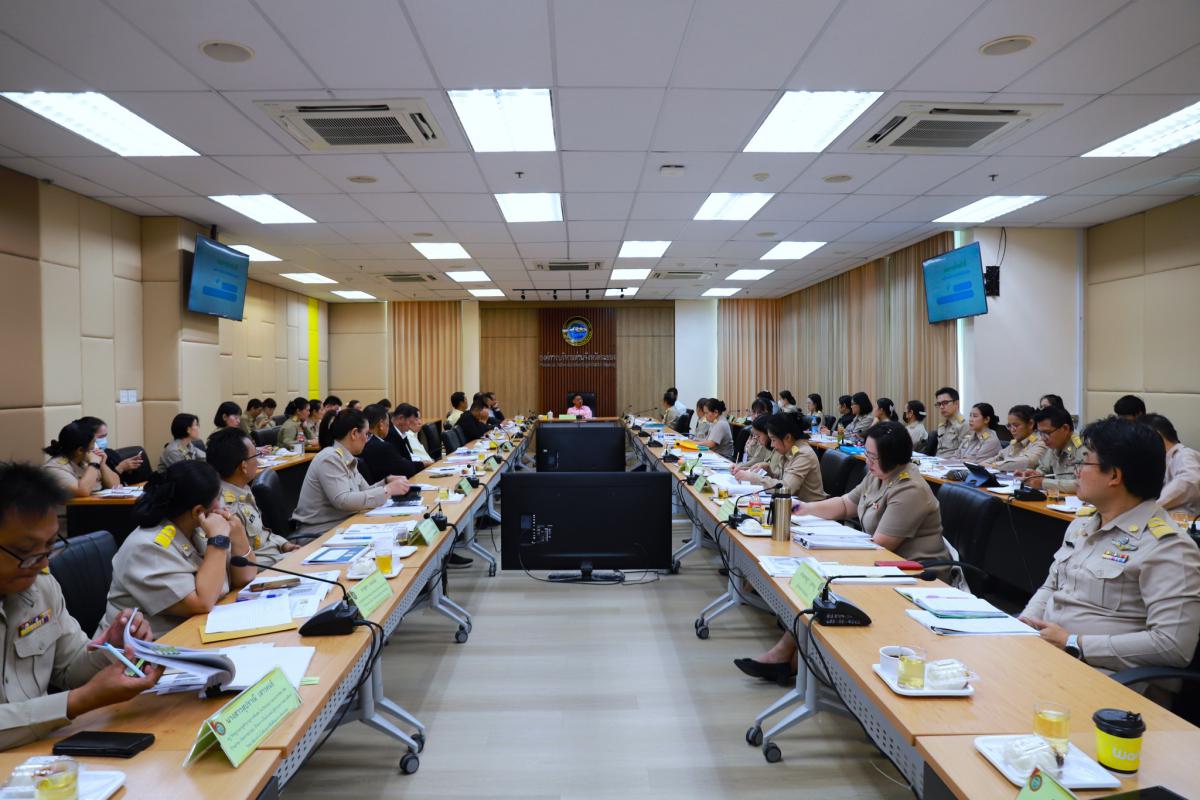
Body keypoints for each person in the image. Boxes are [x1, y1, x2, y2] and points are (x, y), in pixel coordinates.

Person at [736, 421, 949, 682]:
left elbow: (881, 545)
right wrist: (803, 508)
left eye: (873, 456)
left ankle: (790, 658)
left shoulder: (909, 488)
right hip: (883, 562)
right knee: (818, 578)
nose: (867, 461)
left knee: (827, 583)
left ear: (892, 457)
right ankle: (792, 657)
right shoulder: (878, 475)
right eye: (867, 454)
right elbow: (846, 504)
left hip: (914, 574)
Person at [0, 462, 164, 751]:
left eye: (49, 546)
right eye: (25, 551)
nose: (42, 563)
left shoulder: (41, 586)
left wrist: (113, 648)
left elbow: (68, 668)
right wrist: (79, 701)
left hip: (41, 753)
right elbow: (76, 694)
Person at [1018, 417, 1200, 673]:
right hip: (1047, 653)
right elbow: (1052, 586)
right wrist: (1024, 624)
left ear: (1114, 475)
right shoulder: (1082, 525)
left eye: (1085, 462)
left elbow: (1173, 646)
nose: (1077, 471)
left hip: (1104, 674)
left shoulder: (1167, 547)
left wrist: (1074, 643)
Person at [100, 460, 258, 638]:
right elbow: (202, 603)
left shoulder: (196, 529)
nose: (222, 505)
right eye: (217, 497)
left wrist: (237, 533)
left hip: (191, 633)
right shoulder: (147, 547)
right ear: (198, 511)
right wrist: (218, 541)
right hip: (141, 648)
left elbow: (245, 577)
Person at [292, 409, 413, 539]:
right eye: (367, 434)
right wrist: (387, 490)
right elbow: (343, 501)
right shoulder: (330, 458)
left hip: (341, 526)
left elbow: (366, 491)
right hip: (318, 533)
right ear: (354, 433)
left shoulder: (346, 457)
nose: (367, 440)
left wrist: (386, 482)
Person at [205, 428, 299, 564]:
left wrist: (283, 544)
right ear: (243, 466)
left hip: (277, 557)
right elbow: (238, 563)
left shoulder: (242, 489)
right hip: (267, 568)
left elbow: (260, 533)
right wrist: (284, 559)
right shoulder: (224, 508)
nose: (258, 461)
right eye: (256, 456)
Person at [42, 421, 120, 530]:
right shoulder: (54, 468)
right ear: (80, 450)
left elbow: (115, 485)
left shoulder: (84, 462)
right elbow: (83, 491)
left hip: (95, 517)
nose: (96, 447)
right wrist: (94, 463)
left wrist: (102, 464)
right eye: (93, 443)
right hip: (71, 527)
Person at [733, 414, 825, 501]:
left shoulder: (803, 454)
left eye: (773, 440)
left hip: (810, 508)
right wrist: (769, 471)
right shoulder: (789, 449)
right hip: (795, 504)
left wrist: (755, 478)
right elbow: (783, 479)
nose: (772, 445)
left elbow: (787, 488)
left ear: (788, 437)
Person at [1015, 405, 1087, 493]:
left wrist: (1043, 483)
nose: (1043, 438)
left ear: (1065, 428)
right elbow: (1044, 469)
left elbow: (1083, 484)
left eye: (1047, 433)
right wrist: (1034, 475)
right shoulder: (1053, 445)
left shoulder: (1084, 448)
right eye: (1040, 433)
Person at [1140, 414, 1200, 517]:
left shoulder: (1184, 454)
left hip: (1186, 522)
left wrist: (1149, 508)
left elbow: (1189, 480)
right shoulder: (1165, 458)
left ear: (1156, 436)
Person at [76, 416, 144, 483]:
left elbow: (124, 481)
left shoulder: (110, 453)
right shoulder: (83, 461)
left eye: (105, 436)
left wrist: (129, 469)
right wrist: (120, 468)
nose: (104, 440)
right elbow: (103, 485)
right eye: (101, 437)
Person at [362, 405, 423, 481]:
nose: (389, 427)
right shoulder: (384, 447)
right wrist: (423, 464)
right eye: (387, 424)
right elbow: (406, 469)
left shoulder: (361, 443)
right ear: (381, 425)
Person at [986, 404, 1047, 472]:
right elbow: (998, 457)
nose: (1012, 430)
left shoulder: (1041, 441)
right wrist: (983, 464)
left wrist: (993, 466)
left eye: (1016, 425)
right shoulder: (1016, 441)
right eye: (1009, 426)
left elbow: (1027, 461)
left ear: (1030, 424)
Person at [390, 404, 435, 469]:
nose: (410, 425)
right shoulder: (391, 436)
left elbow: (410, 456)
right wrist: (422, 464)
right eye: (410, 422)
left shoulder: (403, 434)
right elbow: (401, 464)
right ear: (401, 418)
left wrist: (425, 462)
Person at [934, 387, 967, 458]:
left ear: (956, 403)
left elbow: (964, 452)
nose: (941, 407)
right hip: (937, 461)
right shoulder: (942, 425)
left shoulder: (964, 424)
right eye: (939, 404)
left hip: (952, 463)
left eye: (945, 403)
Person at [740, 399, 772, 465]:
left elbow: (757, 459)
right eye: (754, 412)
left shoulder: (765, 433)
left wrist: (740, 466)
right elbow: (746, 452)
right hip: (746, 465)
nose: (756, 416)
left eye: (760, 412)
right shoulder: (751, 431)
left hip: (753, 467)